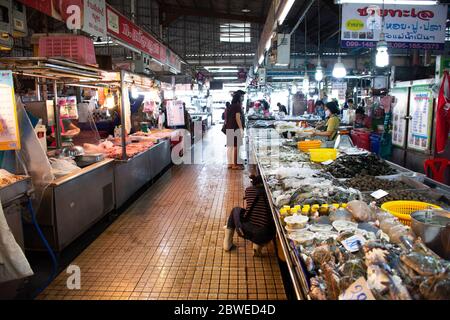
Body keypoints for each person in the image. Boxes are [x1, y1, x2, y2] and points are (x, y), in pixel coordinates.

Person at [223, 175, 275, 256]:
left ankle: (227, 244)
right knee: (264, 219)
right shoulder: (271, 195)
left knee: (236, 210)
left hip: (244, 230)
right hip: (266, 235)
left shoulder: (249, 190)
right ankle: (257, 248)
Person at [225, 90, 245, 170]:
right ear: (239, 98)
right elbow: (237, 118)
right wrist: (241, 129)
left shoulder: (230, 106)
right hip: (235, 128)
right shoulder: (237, 106)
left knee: (230, 147)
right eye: (242, 97)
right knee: (235, 147)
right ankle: (234, 165)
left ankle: (230, 164)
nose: (243, 98)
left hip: (229, 128)